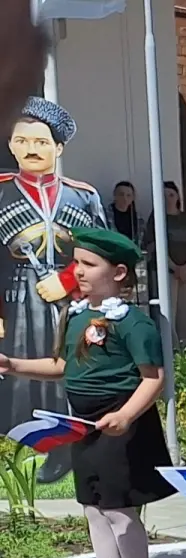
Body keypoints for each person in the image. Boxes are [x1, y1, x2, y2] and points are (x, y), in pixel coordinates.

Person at [0, 227, 169, 558]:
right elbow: (62, 367)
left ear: (120, 273)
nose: (78, 271)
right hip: (84, 422)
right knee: (92, 506)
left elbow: (153, 378)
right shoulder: (76, 316)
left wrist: (126, 415)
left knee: (119, 508)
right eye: (77, 262)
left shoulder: (132, 322)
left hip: (122, 421)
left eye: (89, 264)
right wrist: (14, 365)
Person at [2, 97, 107, 484]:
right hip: (14, 298)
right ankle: (16, 450)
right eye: (23, 140)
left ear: (59, 148)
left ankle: (64, 449)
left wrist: (65, 280)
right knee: (16, 370)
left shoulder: (83, 195)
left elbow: (103, 250)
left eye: (42, 142)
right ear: (11, 144)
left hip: (72, 298)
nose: (32, 149)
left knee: (70, 368)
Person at [145, 182, 186, 348]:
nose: (168, 199)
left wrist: (185, 268)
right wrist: (175, 267)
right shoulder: (155, 219)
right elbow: (155, 244)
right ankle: (173, 349)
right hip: (166, 272)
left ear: (177, 197)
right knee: (169, 311)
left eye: (171, 195)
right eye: (163, 195)